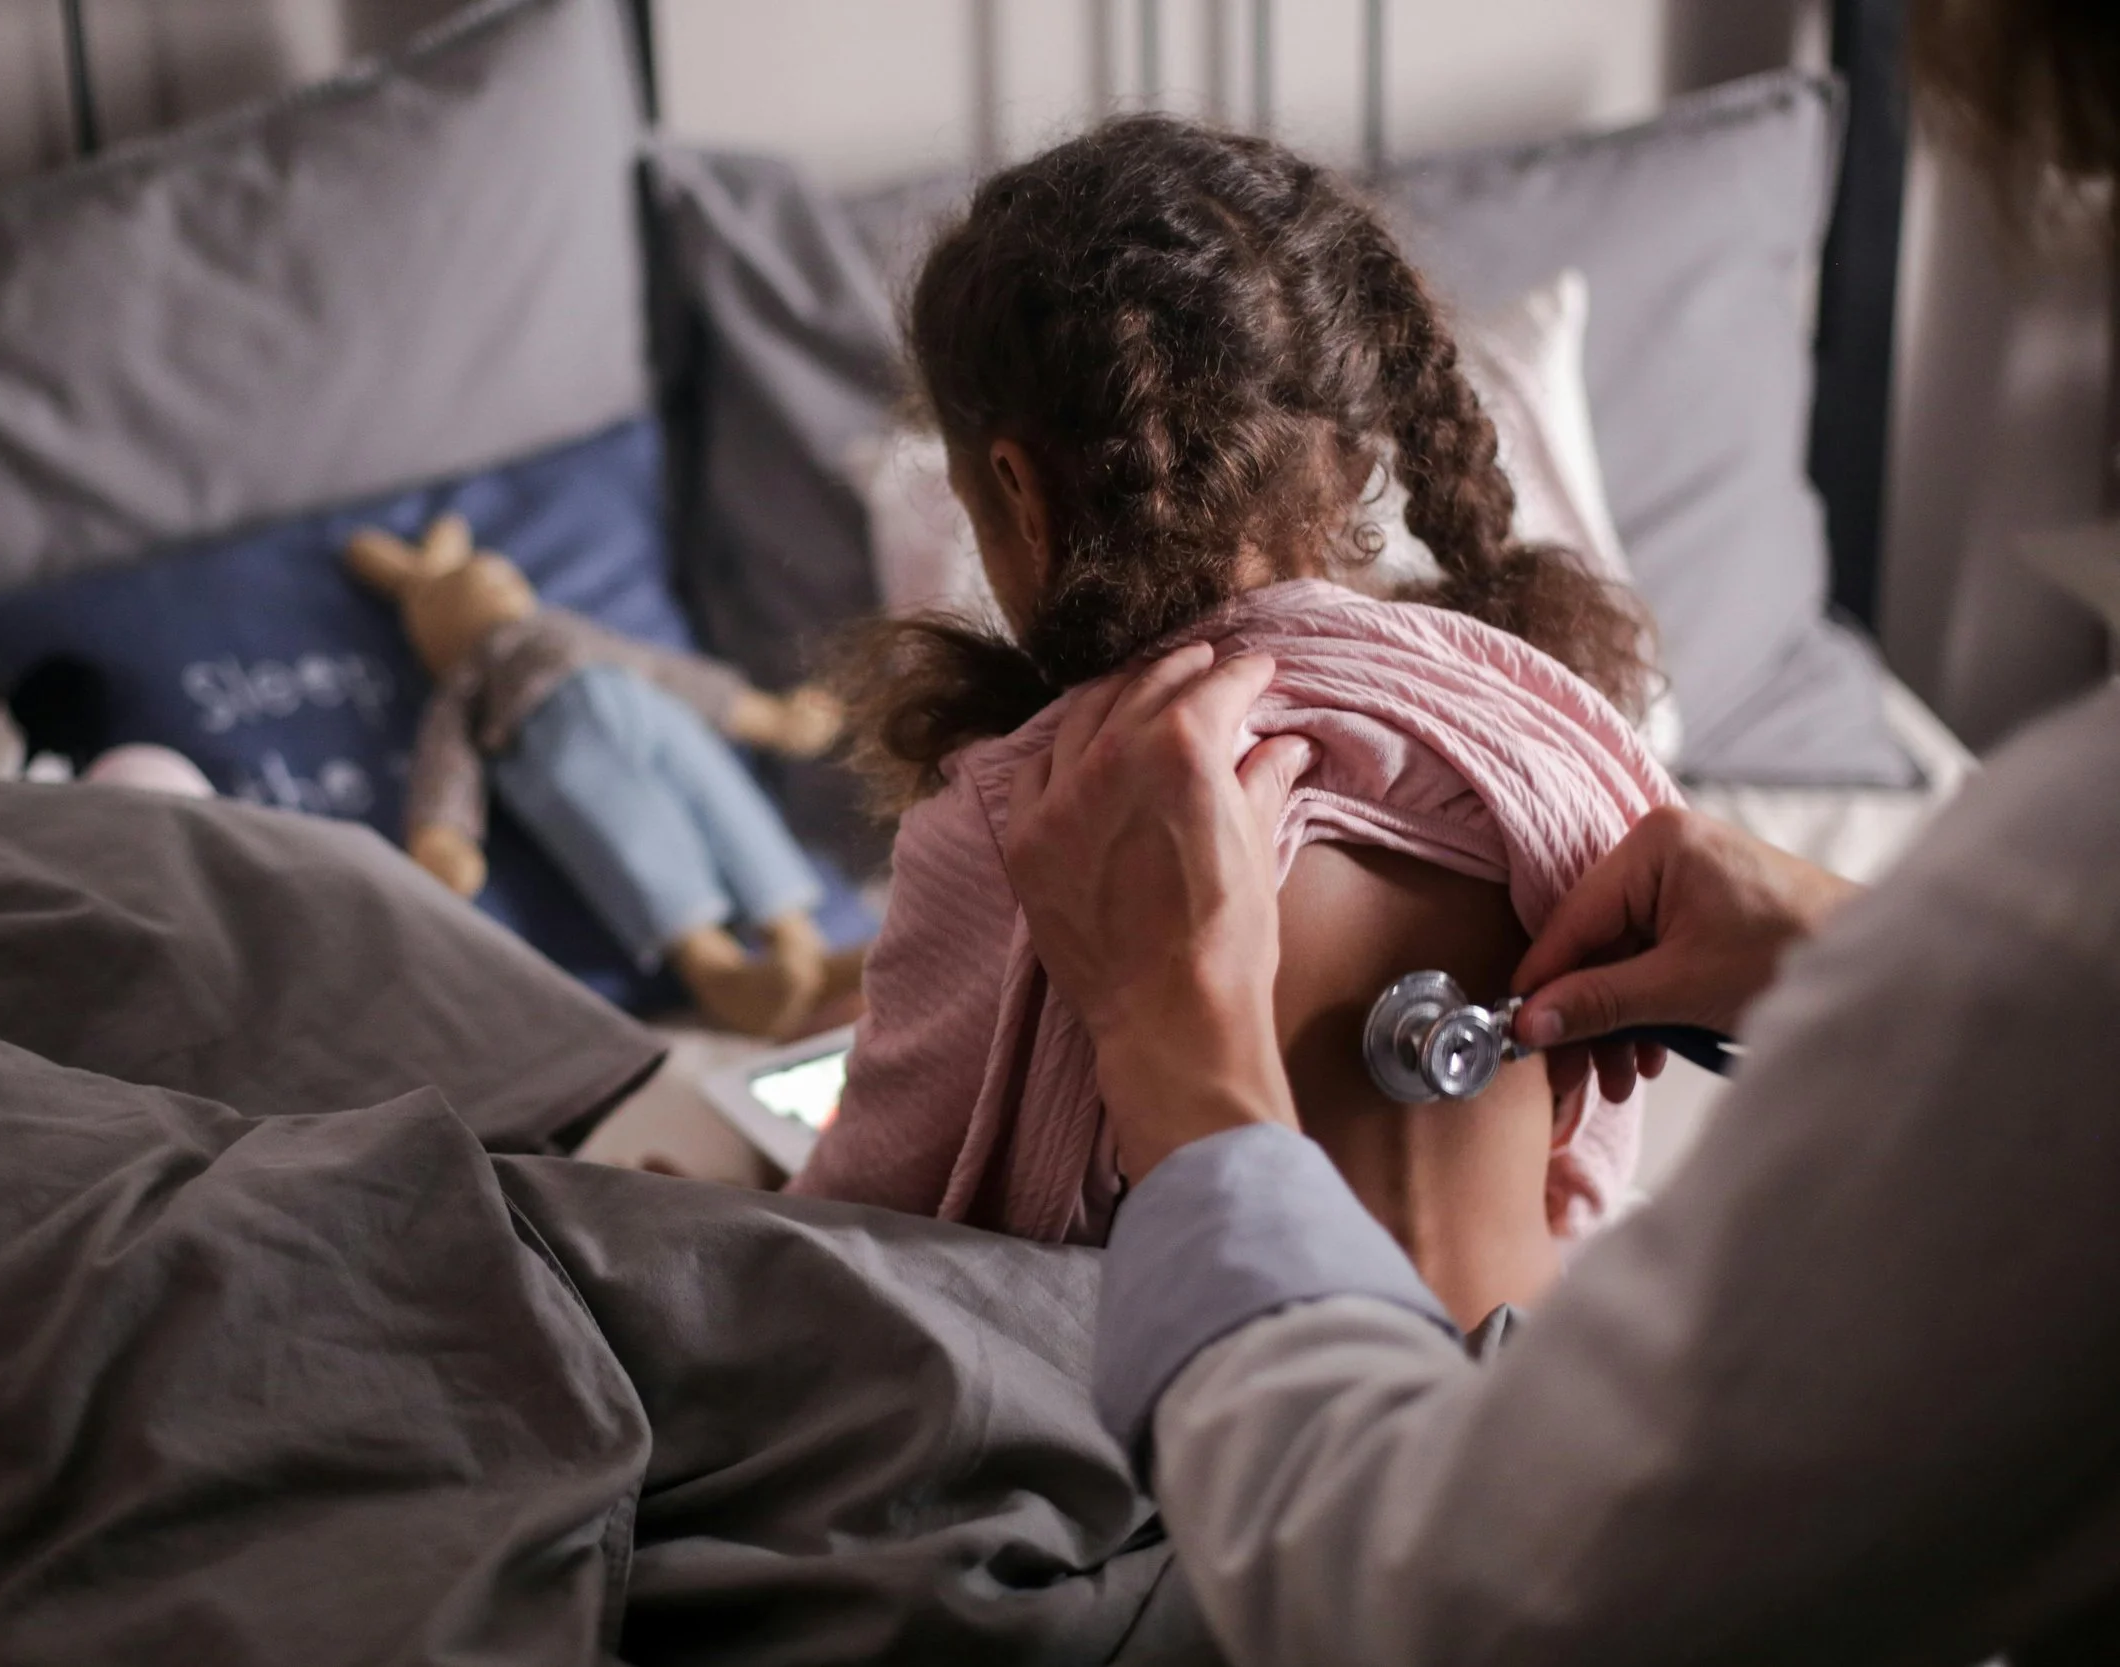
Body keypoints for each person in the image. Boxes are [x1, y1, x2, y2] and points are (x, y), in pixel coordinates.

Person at [1002, 6, 2120, 1656]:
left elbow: (1432, 1601)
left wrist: (1188, 1071)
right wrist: (1866, 960)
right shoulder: (1576, 752)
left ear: (1013, 500)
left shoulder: (2055, 916)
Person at [789, 116, 1681, 1325]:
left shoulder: (1031, 817)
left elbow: (867, 1231)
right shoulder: (1547, 736)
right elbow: (1582, 1173)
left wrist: (734, 1235)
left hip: (1226, 1462)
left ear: (1017, 493)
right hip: (1532, 1406)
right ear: (1348, 440)